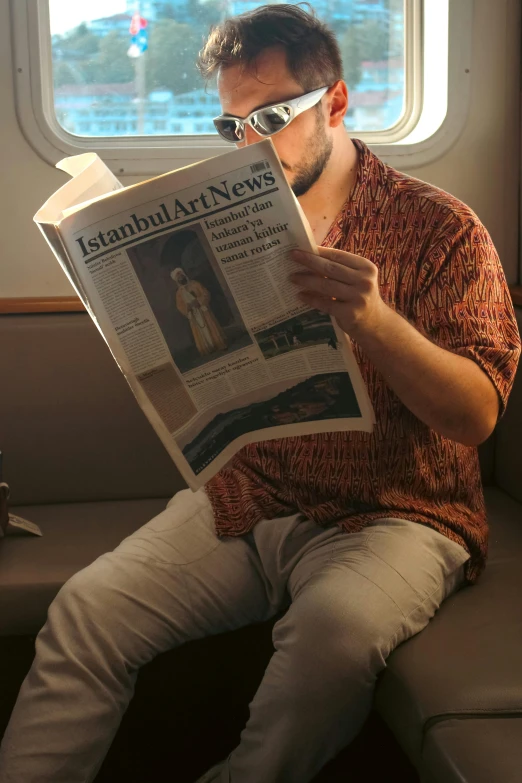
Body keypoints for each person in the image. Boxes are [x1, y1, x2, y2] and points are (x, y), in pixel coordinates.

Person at [0, 5, 520, 783]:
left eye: (272, 116)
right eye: (230, 124)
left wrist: (374, 321)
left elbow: (476, 415)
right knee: (86, 610)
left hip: (396, 510)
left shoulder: (441, 229)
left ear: (335, 103)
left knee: (332, 639)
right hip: (253, 494)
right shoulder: (221, 228)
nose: (249, 142)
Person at [170, 266, 228, 356]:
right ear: (177, 280)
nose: (181, 277)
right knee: (201, 332)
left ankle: (219, 345)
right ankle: (207, 348)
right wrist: (188, 307)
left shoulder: (195, 284)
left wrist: (198, 301)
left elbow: (205, 293)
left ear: (184, 275)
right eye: (179, 277)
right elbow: (179, 305)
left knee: (210, 327)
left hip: (202, 310)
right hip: (193, 314)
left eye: (182, 275)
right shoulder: (179, 293)